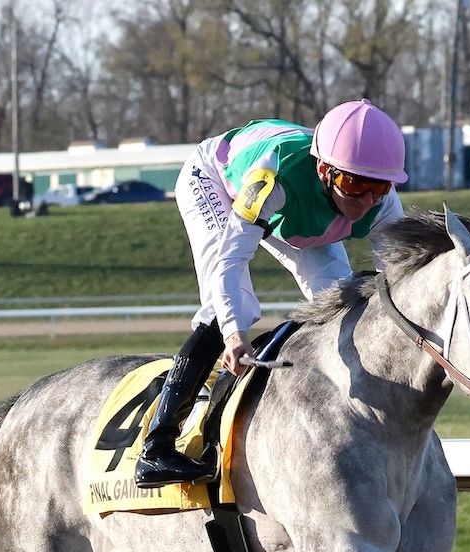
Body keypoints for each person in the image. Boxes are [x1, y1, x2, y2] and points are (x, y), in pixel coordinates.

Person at [134, 99, 408, 488]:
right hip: (215, 181)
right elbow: (229, 262)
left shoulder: (381, 202)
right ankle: (157, 445)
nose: (365, 201)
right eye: (354, 185)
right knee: (232, 305)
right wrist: (233, 335)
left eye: (378, 188)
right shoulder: (270, 180)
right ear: (324, 170)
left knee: (340, 299)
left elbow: (395, 282)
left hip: (297, 210)